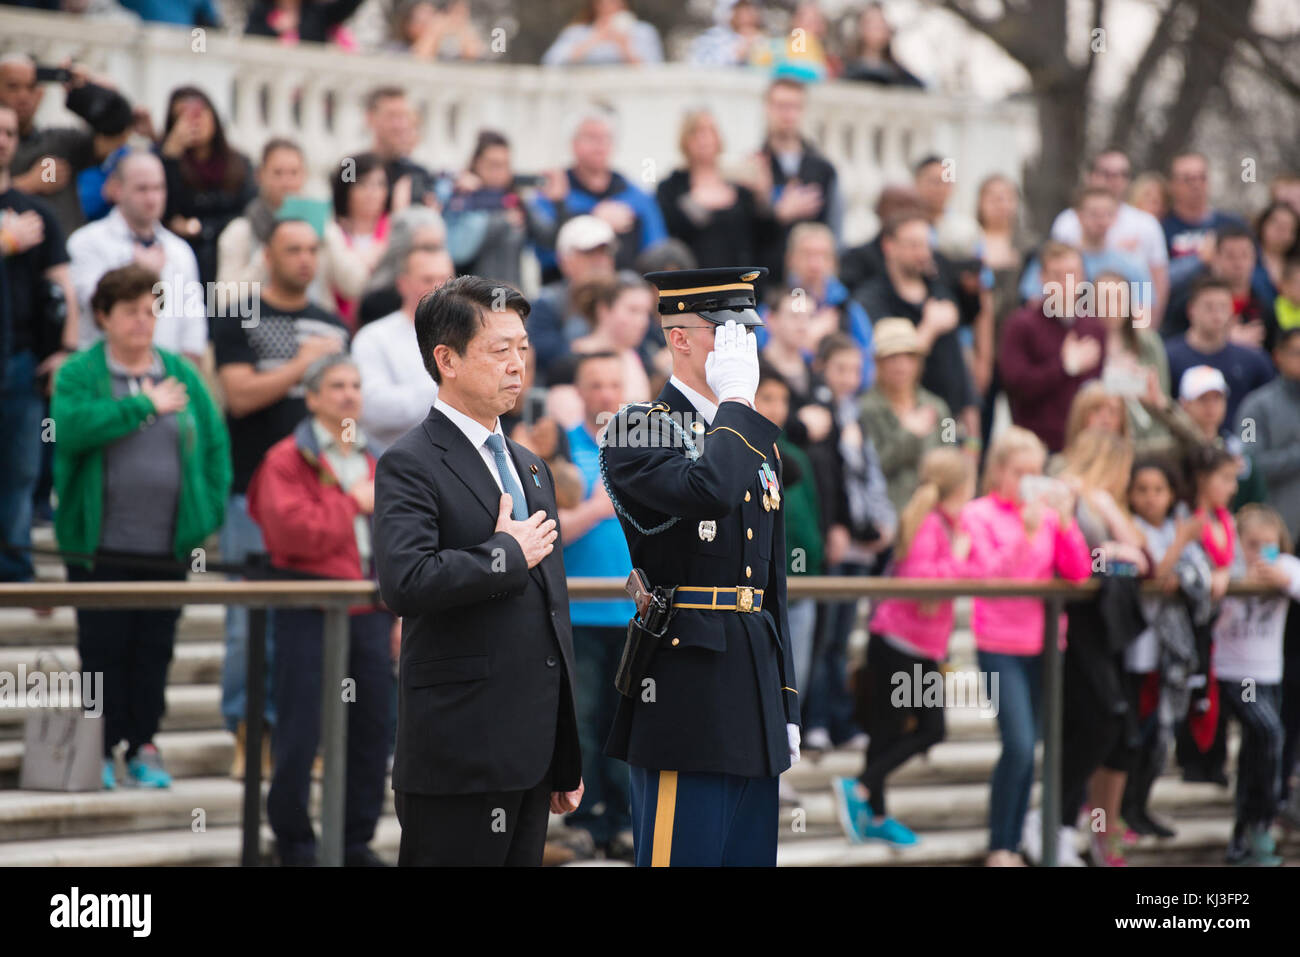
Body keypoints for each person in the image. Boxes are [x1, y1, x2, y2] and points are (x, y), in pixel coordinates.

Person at [373, 275, 583, 866]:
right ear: (447, 360)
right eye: (499, 350)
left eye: (523, 347)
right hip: (458, 753)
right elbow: (405, 581)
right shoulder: (409, 462)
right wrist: (504, 554)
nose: (518, 365)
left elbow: (553, 615)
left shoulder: (530, 466)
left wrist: (565, 753)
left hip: (533, 754)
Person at [599, 266, 799, 866]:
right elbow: (708, 488)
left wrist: (785, 701)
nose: (741, 347)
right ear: (680, 338)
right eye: (724, 331)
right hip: (682, 686)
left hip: (752, 683)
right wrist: (735, 401)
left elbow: (771, 587)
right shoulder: (639, 427)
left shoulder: (751, 436)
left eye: (747, 333)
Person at [52, 263, 230, 789]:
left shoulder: (179, 370)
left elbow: (216, 447)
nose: (142, 321)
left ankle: (145, 743)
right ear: (103, 317)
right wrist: (140, 406)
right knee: (102, 648)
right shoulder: (81, 373)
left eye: (150, 310)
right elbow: (69, 430)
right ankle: (101, 747)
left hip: (166, 547)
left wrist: (207, 513)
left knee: (155, 647)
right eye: (129, 311)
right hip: (100, 546)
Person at [212, 219, 349, 766]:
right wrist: (301, 364)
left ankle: (300, 737)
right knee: (250, 622)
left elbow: (343, 407)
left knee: (309, 620)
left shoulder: (332, 322)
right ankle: (249, 731)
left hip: (322, 499)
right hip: (252, 493)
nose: (305, 260)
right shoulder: (240, 314)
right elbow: (239, 397)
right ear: (267, 254)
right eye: (293, 250)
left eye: (313, 249)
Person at [246, 355, 391, 866]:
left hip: (369, 611)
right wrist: (351, 501)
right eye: (336, 386)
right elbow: (289, 534)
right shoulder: (287, 458)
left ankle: (353, 842)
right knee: (299, 732)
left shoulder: (379, 459)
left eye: (355, 384)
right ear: (311, 398)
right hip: (307, 606)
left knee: (373, 731)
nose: (349, 394)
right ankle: (294, 844)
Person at [832, 447, 976, 847]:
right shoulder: (929, 524)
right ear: (960, 486)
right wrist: (960, 560)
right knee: (930, 729)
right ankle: (860, 787)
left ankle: (874, 814)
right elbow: (922, 579)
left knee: (889, 731)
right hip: (900, 643)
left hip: (918, 645)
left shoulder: (948, 524)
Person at [962, 426, 1092, 866]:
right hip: (998, 641)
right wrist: (1026, 532)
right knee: (1017, 744)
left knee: (1032, 748)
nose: (1029, 481)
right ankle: (1001, 846)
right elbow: (989, 575)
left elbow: (1076, 573)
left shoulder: (1049, 514)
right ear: (998, 471)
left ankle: (1014, 842)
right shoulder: (978, 513)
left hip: (1046, 644)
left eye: (1037, 472)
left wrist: (1069, 520)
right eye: (1020, 472)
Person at [1052, 428, 1149, 868]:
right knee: (1096, 720)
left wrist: (1114, 538)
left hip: (1101, 629)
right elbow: (1075, 554)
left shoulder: (1101, 500)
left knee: (1111, 724)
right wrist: (1110, 550)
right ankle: (1054, 819)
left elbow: (1141, 553)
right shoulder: (1069, 491)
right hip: (1073, 628)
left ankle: (1067, 824)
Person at [555, 351, 635, 861]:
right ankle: (583, 820)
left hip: (632, 615)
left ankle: (627, 820)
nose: (606, 393)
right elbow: (551, 532)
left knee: (626, 723)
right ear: (580, 393)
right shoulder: (560, 451)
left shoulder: (639, 449)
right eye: (595, 385)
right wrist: (597, 509)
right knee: (581, 722)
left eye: (613, 384)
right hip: (580, 613)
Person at [1, 103, 79, 587]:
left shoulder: (38, 214)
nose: (2, 139)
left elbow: (62, 285)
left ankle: (12, 571)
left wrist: (66, 348)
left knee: (20, 472)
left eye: (9, 131)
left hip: (21, 362)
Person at [1122, 460, 1202, 840]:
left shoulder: (1174, 528)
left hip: (1171, 651)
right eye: (1142, 489)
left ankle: (1141, 805)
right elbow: (1153, 573)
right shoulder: (1130, 530)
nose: (1151, 498)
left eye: (1158, 490)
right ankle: (1120, 810)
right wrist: (1180, 546)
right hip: (1136, 648)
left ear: (1171, 494)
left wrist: (1183, 568)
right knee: (1133, 733)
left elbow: (1196, 576)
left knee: (1160, 734)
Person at [1213, 504, 1296, 865]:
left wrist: (1284, 581)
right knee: (1268, 734)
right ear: (1238, 544)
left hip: (1269, 673)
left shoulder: (1286, 568)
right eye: (1253, 544)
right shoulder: (1227, 569)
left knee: (1255, 754)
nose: (1262, 552)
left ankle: (1248, 834)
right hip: (1234, 673)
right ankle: (1258, 825)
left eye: (1269, 544)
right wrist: (1232, 581)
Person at [66, 150, 205, 362]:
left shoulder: (180, 250)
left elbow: (194, 324)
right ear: (117, 189)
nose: (152, 198)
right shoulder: (85, 242)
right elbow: (96, 306)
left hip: (167, 374)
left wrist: (185, 378)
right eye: (142, 189)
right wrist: (140, 273)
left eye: (158, 188)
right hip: (104, 374)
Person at [217, 139, 369, 321]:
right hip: (260, 327)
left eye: (293, 173)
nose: (286, 182)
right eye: (278, 173)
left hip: (316, 325)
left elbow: (356, 286)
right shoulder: (240, 232)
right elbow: (225, 301)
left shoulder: (324, 227)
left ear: (304, 175)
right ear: (260, 176)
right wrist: (270, 252)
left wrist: (326, 235)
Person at [856, 212, 975, 435]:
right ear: (888, 245)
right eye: (913, 245)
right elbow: (882, 359)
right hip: (894, 422)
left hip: (947, 420)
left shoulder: (940, 293)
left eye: (926, 245)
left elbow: (959, 369)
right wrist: (930, 328)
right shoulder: (871, 299)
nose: (922, 253)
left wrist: (973, 436)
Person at [753, 362, 822, 701]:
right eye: (767, 397)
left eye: (782, 399)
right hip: (760, 589)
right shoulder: (740, 453)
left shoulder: (793, 455)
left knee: (798, 682)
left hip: (803, 580)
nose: (777, 407)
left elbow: (812, 509)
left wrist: (817, 552)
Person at [531, 110, 667, 279]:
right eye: (591, 137)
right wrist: (593, 221)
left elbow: (657, 254)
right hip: (567, 293)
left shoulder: (637, 197)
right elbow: (546, 254)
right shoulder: (552, 193)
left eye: (606, 138)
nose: (599, 145)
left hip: (625, 292)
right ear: (573, 144)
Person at [998, 241, 1106, 453]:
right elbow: (1015, 384)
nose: (1066, 283)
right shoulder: (1021, 324)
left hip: (1083, 445)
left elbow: (1096, 390)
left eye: (1072, 274)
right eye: (1057, 275)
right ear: (1042, 278)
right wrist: (1064, 367)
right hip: (1034, 447)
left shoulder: (1094, 327)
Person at [0, 55, 119, 235]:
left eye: (31, 87)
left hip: (62, 252)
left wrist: (87, 91)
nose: (23, 96)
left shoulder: (60, 141)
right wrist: (28, 184)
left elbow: (117, 129)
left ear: (40, 93)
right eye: (13, 86)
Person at [1050, 148, 1171, 323]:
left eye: (1122, 174)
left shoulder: (1145, 228)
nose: (1114, 181)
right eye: (1106, 173)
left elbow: (1154, 288)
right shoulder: (1065, 222)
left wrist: (1142, 338)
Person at [352, 245, 449, 455]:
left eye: (445, 279)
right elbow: (372, 410)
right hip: (392, 461)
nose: (438, 288)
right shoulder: (373, 337)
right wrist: (446, 385)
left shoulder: (469, 335)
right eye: (427, 279)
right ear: (403, 284)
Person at [742, 78, 841, 283]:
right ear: (767, 109)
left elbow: (835, 233)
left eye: (795, 107)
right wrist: (775, 213)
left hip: (811, 283)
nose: (788, 114)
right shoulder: (754, 166)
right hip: (765, 284)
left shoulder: (822, 170)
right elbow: (742, 238)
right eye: (781, 106)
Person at [157, 86, 257, 286]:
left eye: (199, 114)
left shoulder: (238, 162)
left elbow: (249, 210)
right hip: (184, 261)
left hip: (229, 258)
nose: (194, 122)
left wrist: (203, 228)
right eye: (183, 117)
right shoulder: (165, 161)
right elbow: (164, 210)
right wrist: (170, 160)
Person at [857, 317, 952, 514]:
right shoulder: (864, 409)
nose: (901, 365)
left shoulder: (937, 407)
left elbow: (951, 458)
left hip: (934, 516)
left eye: (909, 356)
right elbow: (869, 468)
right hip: (887, 516)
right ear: (878, 362)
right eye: (892, 357)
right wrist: (908, 435)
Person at [656, 110, 767, 269]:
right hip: (692, 280)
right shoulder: (671, 188)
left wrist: (762, 196)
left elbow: (761, 237)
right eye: (696, 132)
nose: (704, 139)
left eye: (710, 131)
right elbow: (670, 232)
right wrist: (696, 204)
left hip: (737, 281)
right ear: (685, 140)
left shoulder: (740, 189)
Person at [1023, 188, 1153, 322]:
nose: (1101, 220)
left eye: (1108, 214)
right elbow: (1033, 304)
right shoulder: (1052, 260)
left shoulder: (1133, 264)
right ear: (1078, 215)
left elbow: (1142, 319)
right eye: (1094, 214)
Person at [443, 130, 553, 286]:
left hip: (509, 297)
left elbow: (550, 239)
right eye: (493, 165)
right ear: (476, 163)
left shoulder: (514, 201)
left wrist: (557, 201)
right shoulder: (462, 198)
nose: (499, 172)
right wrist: (501, 221)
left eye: (505, 165)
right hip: (473, 299)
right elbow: (458, 251)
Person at [1164, 277, 1274, 427]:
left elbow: (1264, 412)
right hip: (1185, 444)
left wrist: (1247, 445)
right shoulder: (1168, 357)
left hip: (1240, 443)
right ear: (1191, 310)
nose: (1216, 314)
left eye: (1223, 307)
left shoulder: (1253, 360)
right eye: (1209, 307)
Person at [527, 214, 617, 380]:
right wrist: (590, 347)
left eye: (604, 252)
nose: (600, 261)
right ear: (564, 260)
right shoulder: (546, 303)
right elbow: (545, 357)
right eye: (589, 253)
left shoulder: (626, 299)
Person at [782, 222, 873, 383]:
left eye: (822, 255)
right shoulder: (776, 307)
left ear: (833, 262)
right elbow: (767, 362)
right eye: (807, 255)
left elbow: (867, 369)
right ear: (791, 259)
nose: (815, 265)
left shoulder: (847, 308)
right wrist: (805, 342)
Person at [1163, 225, 1278, 349]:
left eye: (1245, 255)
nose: (1238, 263)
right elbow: (1170, 343)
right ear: (1215, 258)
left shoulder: (1264, 304)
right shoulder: (1189, 299)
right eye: (1230, 256)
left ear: (1254, 258)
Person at [1236, 328, 1300, 540]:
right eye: (1296, 352)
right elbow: (1248, 463)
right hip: (1274, 529)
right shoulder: (1253, 407)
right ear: (1278, 356)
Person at [1161, 152, 1245, 283]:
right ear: (1172, 185)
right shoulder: (1160, 229)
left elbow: (1258, 273)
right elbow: (1154, 281)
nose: (1196, 185)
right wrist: (1199, 260)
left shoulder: (1233, 225)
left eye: (1202, 178)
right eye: (1188, 179)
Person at [357, 205, 446, 327]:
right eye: (427, 248)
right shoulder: (377, 302)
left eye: (438, 247)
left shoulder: (449, 296)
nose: (433, 256)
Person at [331, 152, 389, 327]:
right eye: (363, 184)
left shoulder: (394, 229)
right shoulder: (332, 232)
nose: (372, 192)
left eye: (379, 184)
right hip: (337, 321)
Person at [364, 87, 439, 211]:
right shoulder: (350, 166)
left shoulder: (418, 173)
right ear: (370, 118)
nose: (400, 125)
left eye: (404, 116)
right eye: (391, 116)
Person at [541, 0, 664, 66]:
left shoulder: (643, 32)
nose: (610, 6)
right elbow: (551, 62)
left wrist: (625, 46)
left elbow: (655, 70)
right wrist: (595, 39)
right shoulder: (577, 32)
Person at [841, 3, 923, 87]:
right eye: (872, 23)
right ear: (861, 28)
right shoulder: (845, 69)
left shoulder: (900, 75)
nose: (878, 28)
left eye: (881, 23)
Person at [245, 0, 364, 48]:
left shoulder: (316, 14)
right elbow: (250, 40)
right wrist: (276, 30)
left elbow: (347, 5)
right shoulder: (261, 12)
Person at [688, 0, 769, 68]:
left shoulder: (765, 39)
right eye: (740, 11)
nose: (746, 16)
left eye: (749, 10)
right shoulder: (711, 38)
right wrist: (736, 54)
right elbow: (698, 66)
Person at [397, 0, 485, 60]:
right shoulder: (399, 49)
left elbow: (474, 56)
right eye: (423, 21)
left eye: (432, 16)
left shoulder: (444, 50)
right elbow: (420, 59)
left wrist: (460, 26)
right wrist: (433, 33)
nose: (432, 24)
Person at [1251, 201, 1299, 307]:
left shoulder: (1295, 264)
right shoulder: (1249, 259)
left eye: (1288, 228)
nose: (1281, 232)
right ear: (1263, 224)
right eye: (1276, 224)